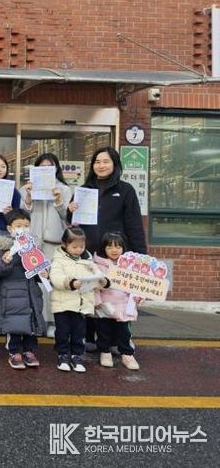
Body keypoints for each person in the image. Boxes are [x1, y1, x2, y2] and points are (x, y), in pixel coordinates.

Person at [67, 146, 146, 351]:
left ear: (115, 164)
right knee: (90, 296)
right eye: (97, 162)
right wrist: (70, 210)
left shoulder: (125, 190)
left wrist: (141, 257)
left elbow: (134, 225)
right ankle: (89, 338)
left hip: (114, 256)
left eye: (106, 161)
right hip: (87, 254)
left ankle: (117, 341)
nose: (101, 165)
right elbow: (72, 223)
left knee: (115, 298)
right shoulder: (83, 190)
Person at [21, 153, 72, 337]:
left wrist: (58, 201)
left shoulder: (64, 189)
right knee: (33, 284)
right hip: (32, 244)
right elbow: (21, 216)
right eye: (41, 167)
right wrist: (28, 197)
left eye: (49, 167)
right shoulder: (26, 188)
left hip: (53, 243)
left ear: (56, 169)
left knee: (51, 284)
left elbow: (68, 218)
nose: (45, 170)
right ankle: (34, 321)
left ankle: (51, 322)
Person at [0, 209, 47, 370]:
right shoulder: (3, 248)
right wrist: (6, 261)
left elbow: (38, 270)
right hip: (12, 294)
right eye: (18, 225)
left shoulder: (33, 247)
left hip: (30, 292)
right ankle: (14, 352)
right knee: (14, 325)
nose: (23, 229)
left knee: (31, 324)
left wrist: (44, 274)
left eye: (26, 225)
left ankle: (29, 351)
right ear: (10, 228)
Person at [49, 227, 107, 373]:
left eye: (81, 246)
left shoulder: (88, 261)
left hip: (81, 304)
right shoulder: (58, 260)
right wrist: (70, 283)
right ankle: (62, 355)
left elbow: (99, 276)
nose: (78, 250)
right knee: (62, 332)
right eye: (74, 247)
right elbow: (55, 277)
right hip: (62, 304)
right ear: (64, 244)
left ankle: (77, 355)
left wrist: (103, 281)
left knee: (79, 332)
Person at [93, 232, 141, 370]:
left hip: (124, 305)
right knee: (104, 331)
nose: (114, 250)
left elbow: (137, 285)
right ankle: (105, 352)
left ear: (124, 248)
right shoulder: (97, 265)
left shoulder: (131, 265)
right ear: (103, 248)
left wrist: (139, 297)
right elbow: (94, 287)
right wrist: (98, 303)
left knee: (124, 332)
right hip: (105, 305)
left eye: (118, 247)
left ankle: (127, 354)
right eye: (110, 247)